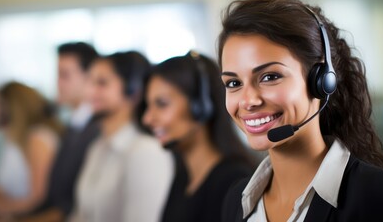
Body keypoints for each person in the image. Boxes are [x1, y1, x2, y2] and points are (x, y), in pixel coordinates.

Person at [219, 0, 383, 222]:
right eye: (233, 83)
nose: (248, 101)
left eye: (270, 77)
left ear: (321, 81)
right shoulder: (235, 201)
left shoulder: (380, 195)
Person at [139, 51, 257, 222]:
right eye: (148, 106)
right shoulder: (183, 177)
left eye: (162, 104)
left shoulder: (234, 182)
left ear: (201, 107)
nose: (147, 119)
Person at [69, 51, 174, 222]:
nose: (89, 91)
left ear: (133, 90)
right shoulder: (97, 148)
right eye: (89, 81)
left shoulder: (146, 152)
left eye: (101, 83)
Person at [19, 42, 100, 222]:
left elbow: (70, 204)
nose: (58, 83)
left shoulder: (97, 131)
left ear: (89, 77)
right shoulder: (73, 126)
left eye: (65, 75)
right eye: (57, 75)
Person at [0, 82, 63, 220]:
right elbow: (5, 189)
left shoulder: (37, 138)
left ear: (14, 106)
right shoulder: (15, 141)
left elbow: (36, 198)